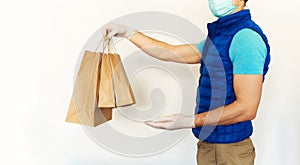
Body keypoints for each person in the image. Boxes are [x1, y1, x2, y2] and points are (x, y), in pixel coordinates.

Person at [103, 0, 270, 164]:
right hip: (207, 144)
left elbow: (247, 108)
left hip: (231, 151)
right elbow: (170, 53)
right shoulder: (220, 36)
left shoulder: (246, 38)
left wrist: (191, 120)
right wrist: (129, 33)